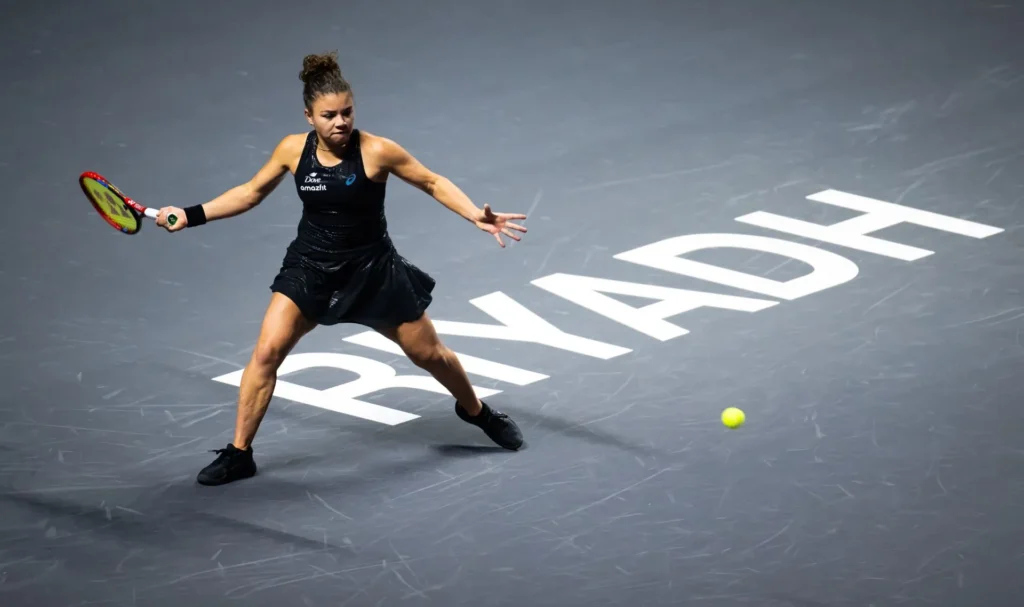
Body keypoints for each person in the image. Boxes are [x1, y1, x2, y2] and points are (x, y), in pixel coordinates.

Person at [155, 51, 528, 486]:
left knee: (430, 355)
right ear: (309, 116)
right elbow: (251, 192)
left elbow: (431, 181)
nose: (340, 122)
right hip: (309, 267)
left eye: (347, 112)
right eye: (329, 115)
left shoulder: (377, 151)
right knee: (266, 353)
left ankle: (476, 411)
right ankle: (240, 454)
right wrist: (191, 214)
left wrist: (474, 214)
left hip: (372, 270)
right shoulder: (292, 149)